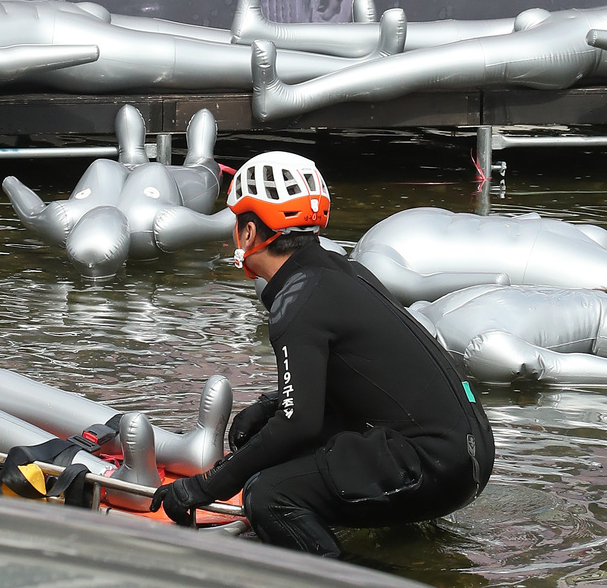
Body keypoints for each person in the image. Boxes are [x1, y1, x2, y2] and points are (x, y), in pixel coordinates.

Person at [150, 152, 494, 558]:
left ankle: (348, 586)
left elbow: (298, 425)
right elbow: (351, 380)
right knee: (275, 453)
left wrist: (204, 486)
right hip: (470, 451)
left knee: (269, 495)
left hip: (435, 464)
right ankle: (410, 555)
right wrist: (268, 407)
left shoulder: (296, 302)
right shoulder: (344, 273)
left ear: (248, 232)